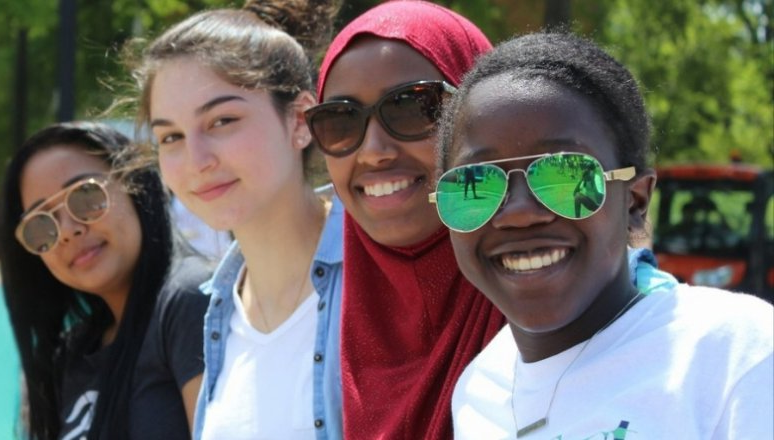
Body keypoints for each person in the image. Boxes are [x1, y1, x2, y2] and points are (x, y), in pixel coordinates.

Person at [305, 2, 672, 438]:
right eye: (339, 120)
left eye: (412, 107)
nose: (373, 150)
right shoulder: (321, 321)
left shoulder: (667, 339)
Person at [432, 32, 773, 438]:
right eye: (476, 184)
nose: (519, 213)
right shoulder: (477, 393)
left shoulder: (736, 354)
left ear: (634, 201)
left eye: (565, 175)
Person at [126, 0, 343, 438]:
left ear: (300, 120)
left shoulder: (381, 278)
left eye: (222, 120)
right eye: (170, 136)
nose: (196, 160)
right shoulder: (216, 312)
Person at [0, 121, 212, 440]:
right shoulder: (68, 355)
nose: (68, 230)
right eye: (41, 224)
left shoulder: (190, 300)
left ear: (135, 184)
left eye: (86, 196)